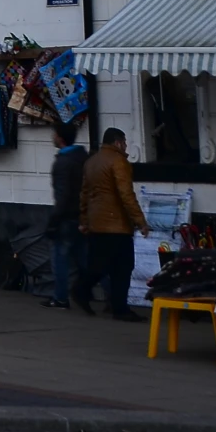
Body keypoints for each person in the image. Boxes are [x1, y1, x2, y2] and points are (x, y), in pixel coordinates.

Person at [75, 126, 149, 319]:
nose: (126, 147)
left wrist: (84, 219)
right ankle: (118, 307)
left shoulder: (91, 162)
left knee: (99, 264)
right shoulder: (118, 162)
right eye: (124, 142)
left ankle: (84, 291)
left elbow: (85, 193)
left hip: (96, 222)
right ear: (117, 142)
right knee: (123, 267)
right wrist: (140, 220)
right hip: (116, 224)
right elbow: (126, 194)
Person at [43, 119, 87, 308]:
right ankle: (104, 295)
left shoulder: (62, 163)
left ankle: (61, 297)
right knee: (86, 259)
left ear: (60, 138)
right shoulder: (83, 158)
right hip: (83, 215)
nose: (52, 137)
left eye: (54, 134)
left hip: (66, 218)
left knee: (59, 260)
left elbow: (63, 196)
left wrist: (53, 222)